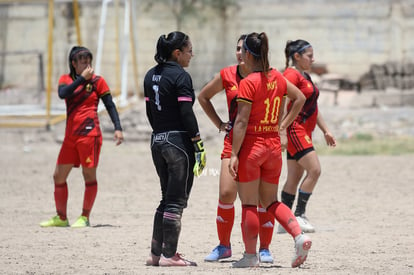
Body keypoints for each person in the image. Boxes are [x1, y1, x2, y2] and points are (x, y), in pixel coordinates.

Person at [228, 32, 312, 268]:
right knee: (271, 201)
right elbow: (300, 99)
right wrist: (282, 126)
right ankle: (299, 235)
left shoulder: (248, 82)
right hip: (273, 148)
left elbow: (241, 122)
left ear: (247, 54)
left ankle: (250, 256)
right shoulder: (277, 76)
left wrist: (234, 153)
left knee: (248, 204)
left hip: (253, 148)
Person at [198, 34, 275, 263]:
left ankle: (264, 248)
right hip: (234, 140)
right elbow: (203, 97)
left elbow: (284, 100)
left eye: (244, 49)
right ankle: (224, 246)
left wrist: (279, 130)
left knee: (261, 199)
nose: (239, 52)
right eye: (237, 48)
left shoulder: (268, 75)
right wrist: (220, 124)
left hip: (260, 142)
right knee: (226, 193)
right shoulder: (227, 75)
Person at [40, 46, 124, 228]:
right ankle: (61, 218)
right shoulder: (66, 79)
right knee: (58, 176)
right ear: (74, 63)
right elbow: (63, 94)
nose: (87, 64)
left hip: (90, 136)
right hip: (70, 137)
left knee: (89, 176)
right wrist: (81, 79)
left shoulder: (98, 81)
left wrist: (118, 128)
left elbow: (109, 105)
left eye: (89, 61)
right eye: (83, 61)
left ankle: (85, 217)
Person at [143, 31, 206, 267]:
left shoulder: (150, 75)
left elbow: (150, 112)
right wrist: (197, 141)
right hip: (178, 143)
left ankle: (155, 254)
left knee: (165, 199)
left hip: (157, 139)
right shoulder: (181, 76)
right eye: (189, 51)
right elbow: (186, 113)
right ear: (177, 53)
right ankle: (170, 255)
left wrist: (161, 131)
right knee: (175, 202)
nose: (192, 55)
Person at [278, 40, 336, 234]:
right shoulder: (290, 75)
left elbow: (313, 107)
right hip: (295, 130)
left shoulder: (305, 75)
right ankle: (299, 215)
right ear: (297, 56)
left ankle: (285, 221)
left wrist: (325, 130)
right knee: (315, 170)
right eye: (309, 56)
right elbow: (282, 104)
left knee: (295, 176)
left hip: (305, 130)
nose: (313, 59)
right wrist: (282, 131)